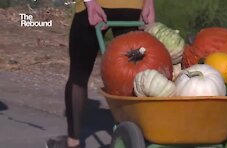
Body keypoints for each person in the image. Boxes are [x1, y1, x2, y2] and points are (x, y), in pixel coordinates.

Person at [46, 0, 155, 147]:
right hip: (131, 6)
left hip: (94, 5)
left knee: (79, 74)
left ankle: (73, 143)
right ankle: (135, 138)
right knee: (135, 77)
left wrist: (89, 2)